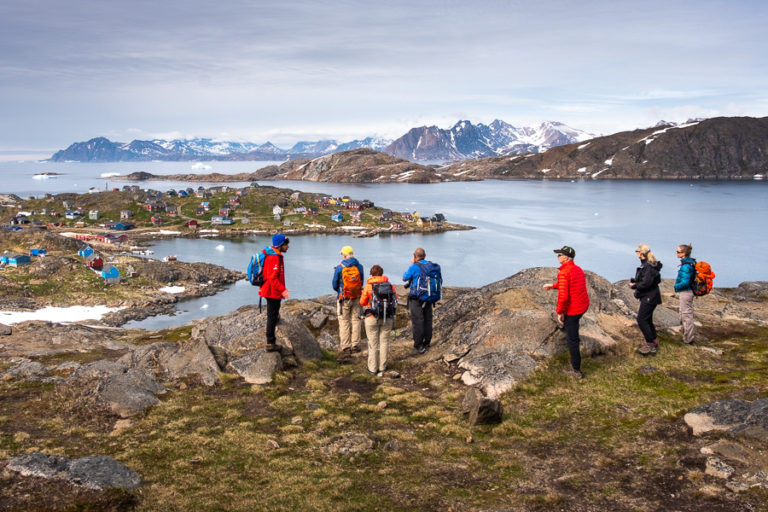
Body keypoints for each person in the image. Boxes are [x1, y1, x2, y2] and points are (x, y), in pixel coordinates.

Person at [543, 246, 590, 378]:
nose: (557, 257)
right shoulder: (577, 269)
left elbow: (563, 297)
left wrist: (560, 312)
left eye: (559, 255)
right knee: (573, 332)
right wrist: (552, 285)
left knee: (572, 339)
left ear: (566, 257)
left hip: (573, 310)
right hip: (582, 306)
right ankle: (576, 366)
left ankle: (576, 370)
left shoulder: (564, 272)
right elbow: (570, 284)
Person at [360, 265, 395, 377]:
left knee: (373, 343)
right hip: (387, 317)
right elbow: (395, 299)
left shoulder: (369, 286)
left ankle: (372, 368)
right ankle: (382, 367)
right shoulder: (389, 285)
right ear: (381, 273)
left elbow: (362, 302)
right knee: (384, 342)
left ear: (371, 274)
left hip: (372, 318)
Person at [259, 234, 290, 352]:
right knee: (271, 316)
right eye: (286, 244)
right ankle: (270, 343)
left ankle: (276, 318)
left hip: (270, 290)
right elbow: (272, 278)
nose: (288, 247)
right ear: (281, 245)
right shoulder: (274, 257)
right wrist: (283, 290)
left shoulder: (273, 254)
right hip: (272, 291)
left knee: (273, 313)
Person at [630, 244, 663, 355]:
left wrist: (635, 285)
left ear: (641, 253)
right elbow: (649, 279)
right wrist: (636, 281)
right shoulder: (649, 265)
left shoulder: (647, 266)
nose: (636, 253)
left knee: (641, 319)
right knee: (647, 319)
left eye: (636, 251)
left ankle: (650, 344)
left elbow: (646, 283)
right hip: (651, 295)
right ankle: (653, 340)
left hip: (649, 296)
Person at [332, 245, 364, 354]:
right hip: (357, 297)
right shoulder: (359, 266)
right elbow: (362, 281)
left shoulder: (340, 267)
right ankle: (356, 345)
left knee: (344, 321)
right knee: (356, 320)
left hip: (343, 298)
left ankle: (346, 346)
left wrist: (339, 291)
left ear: (344, 255)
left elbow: (334, 284)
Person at [403, 247, 433, 353]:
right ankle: (427, 342)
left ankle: (418, 345)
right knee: (428, 320)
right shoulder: (431, 265)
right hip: (428, 297)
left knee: (418, 321)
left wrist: (412, 264)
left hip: (416, 298)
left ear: (415, 256)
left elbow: (404, 277)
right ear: (425, 256)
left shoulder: (414, 266)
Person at [674, 243, 696, 344]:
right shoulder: (688, 263)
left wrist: (676, 287)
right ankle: (686, 336)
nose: (676, 253)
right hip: (687, 291)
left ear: (684, 253)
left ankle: (688, 339)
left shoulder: (686, 266)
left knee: (686, 315)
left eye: (678, 251)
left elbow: (685, 282)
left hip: (686, 291)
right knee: (684, 314)